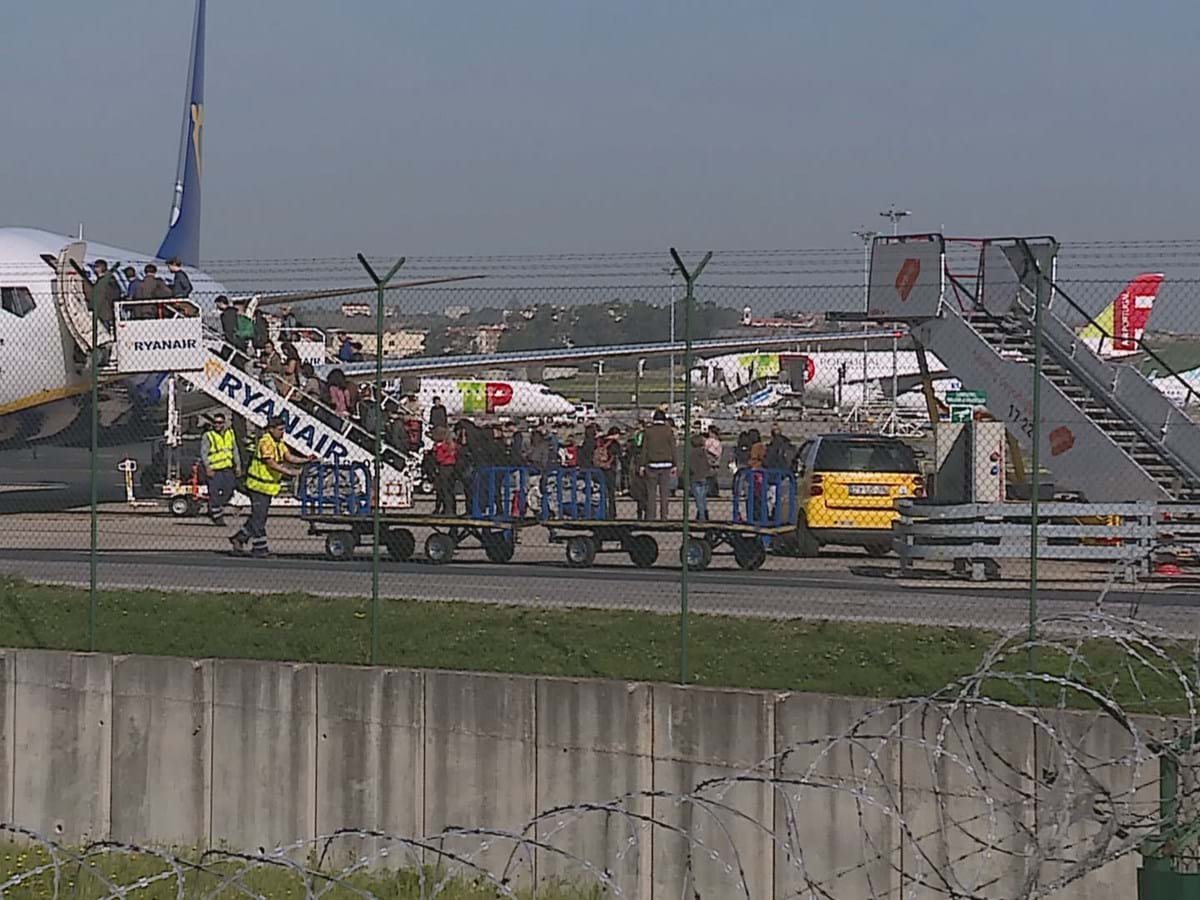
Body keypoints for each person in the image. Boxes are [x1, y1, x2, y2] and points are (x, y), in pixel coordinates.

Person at [230, 416, 313, 558]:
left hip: (268, 488)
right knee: (259, 519)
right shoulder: (265, 442)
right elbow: (271, 463)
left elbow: (289, 457)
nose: (282, 432)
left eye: (283, 429)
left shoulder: (278, 442)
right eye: (280, 430)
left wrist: (307, 460)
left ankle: (239, 538)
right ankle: (260, 549)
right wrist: (290, 472)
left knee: (258, 517)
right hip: (257, 486)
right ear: (271, 429)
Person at [200, 412, 241, 526]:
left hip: (227, 468)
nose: (217, 425)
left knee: (229, 491)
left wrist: (237, 465)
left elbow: (234, 450)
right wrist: (208, 467)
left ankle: (215, 508)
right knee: (214, 493)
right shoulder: (208, 436)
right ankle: (217, 516)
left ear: (224, 423)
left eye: (219, 422)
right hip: (214, 469)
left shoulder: (230, 434)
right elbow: (204, 453)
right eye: (215, 422)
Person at [638, 410, 677, 521]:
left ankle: (651, 516)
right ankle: (664, 516)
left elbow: (644, 449)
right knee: (664, 493)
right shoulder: (668, 431)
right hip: (666, 463)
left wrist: (642, 465)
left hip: (652, 464)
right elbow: (673, 448)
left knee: (651, 493)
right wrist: (675, 464)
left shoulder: (648, 431)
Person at [87, 260, 121, 334]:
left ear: (101, 268)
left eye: (96, 267)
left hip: (105, 313)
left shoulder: (109, 280)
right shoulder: (100, 280)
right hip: (99, 312)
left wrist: (108, 305)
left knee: (106, 333)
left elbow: (114, 295)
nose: (94, 270)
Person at [593, 426, 621, 518]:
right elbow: (618, 454)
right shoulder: (615, 443)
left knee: (602, 491)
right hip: (611, 468)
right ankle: (612, 512)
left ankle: (602, 511)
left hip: (600, 468)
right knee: (611, 492)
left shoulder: (601, 441)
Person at [432, 426, 459, 515]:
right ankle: (451, 509)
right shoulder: (452, 445)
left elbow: (439, 458)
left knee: (444, 490)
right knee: (450, 490)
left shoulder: (442, 446)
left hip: (444, 467)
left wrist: (436, 450)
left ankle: (447, 509)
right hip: (451, 467)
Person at [688, 433, 712, 522]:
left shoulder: (691, 453)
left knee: (698, 499)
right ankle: (704, 513)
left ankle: (702, 517)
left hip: (695, 477)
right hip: (704, 477)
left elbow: (690, 466)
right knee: (703, 498)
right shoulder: (704, 453)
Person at [704, 426, 723, 499]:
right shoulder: (709, 441)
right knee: (709, 478)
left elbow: (714, 453)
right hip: (710, 462)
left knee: (712, 478)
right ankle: (710, 491)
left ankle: (713, 491)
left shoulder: (716, 442)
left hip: (713, 461)